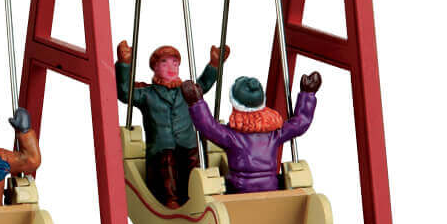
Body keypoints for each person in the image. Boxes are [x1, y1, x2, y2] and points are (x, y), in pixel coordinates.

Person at [116, 40, 226, 208]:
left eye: (175, 63)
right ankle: (171, 200)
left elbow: (203, 84)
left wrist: (214, 64)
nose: (171, 67)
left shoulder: (186, 91)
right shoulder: (147, 94)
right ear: (155, 67)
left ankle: (197, 196)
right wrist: (124, 64)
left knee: (195, 161)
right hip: (161, 149)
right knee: (166, 163)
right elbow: (125, 93)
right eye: (164, 62)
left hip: (187, 144)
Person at [182, 73, 321, 193]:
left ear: (235, 104)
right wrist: (308, 94)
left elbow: (208, 127)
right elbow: (300, 123)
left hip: (239, 190)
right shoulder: (274, 134)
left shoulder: (232, 136)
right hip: (270, 187)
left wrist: (196, 103)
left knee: (221, 184)